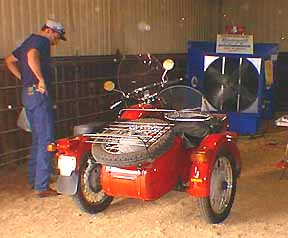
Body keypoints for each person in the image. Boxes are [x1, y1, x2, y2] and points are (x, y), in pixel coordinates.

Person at [5, 19, 67, 197]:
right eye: (56, 36)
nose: (56, 41)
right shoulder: (41, 42)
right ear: (49, 31)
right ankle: (41, 186)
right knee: (47, 138)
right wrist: (39, 79)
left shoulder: (28, 40)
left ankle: (35, 179)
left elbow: (9, 61)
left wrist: (25, 79)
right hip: (38, 95)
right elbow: (32, 55)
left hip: (28, 94)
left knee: (37, 139)